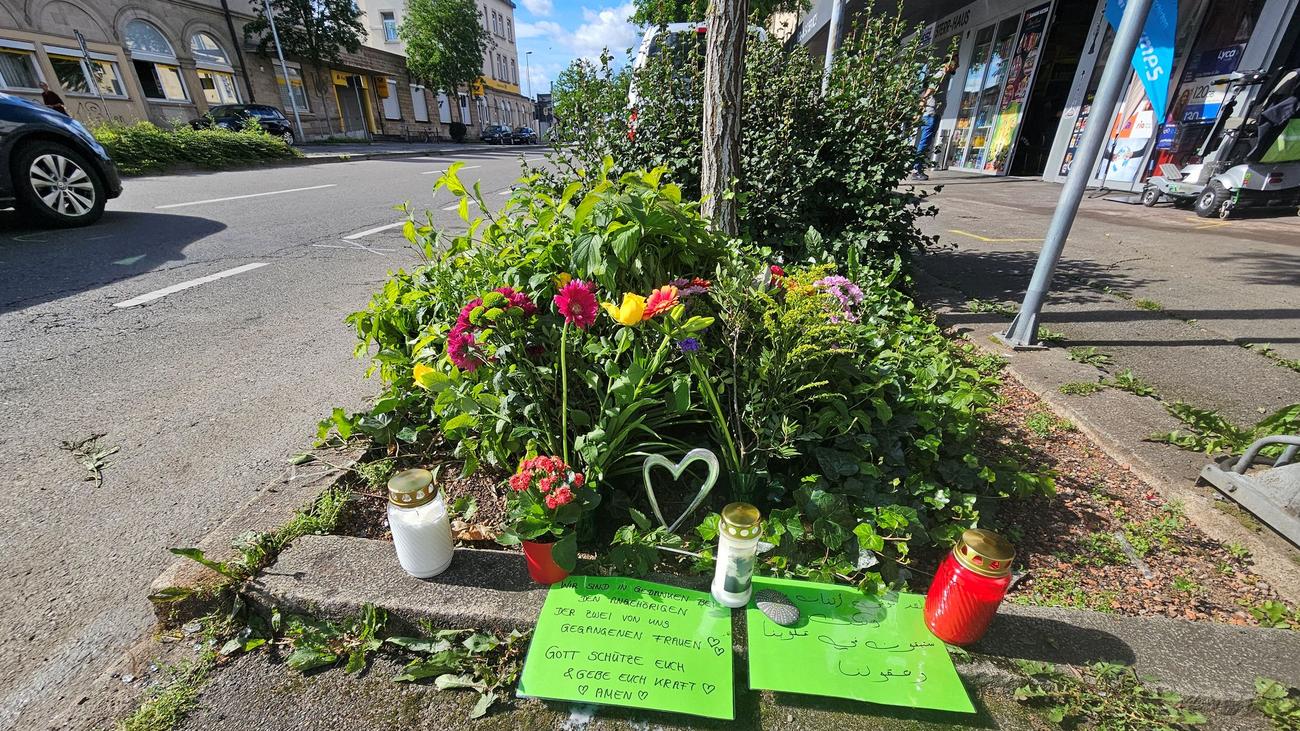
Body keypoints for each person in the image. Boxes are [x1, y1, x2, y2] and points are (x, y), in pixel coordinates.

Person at [912, 57, 957, 181]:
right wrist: (923, 101)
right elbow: (931, 88)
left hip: (935, 113)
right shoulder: (941, 73)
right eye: (955, 63)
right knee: (925, 142)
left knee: (927, 142)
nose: (957, 66)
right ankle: (916, 170)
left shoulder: (945, 75)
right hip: (931, 114)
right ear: (949, 63)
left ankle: (918, 168)